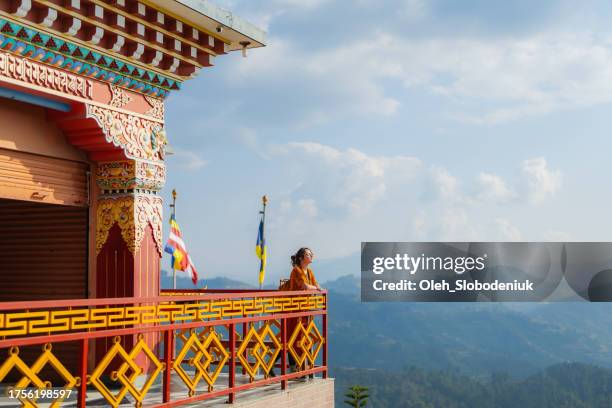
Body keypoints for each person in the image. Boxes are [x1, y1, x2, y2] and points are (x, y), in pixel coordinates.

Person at [284, 247, 321, 375]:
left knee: (304, 336)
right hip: (293, 309)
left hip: (304, 309)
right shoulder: (297, 271)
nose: (311, 256)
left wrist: (315, 288)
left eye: (311, 254)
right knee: (293, 337)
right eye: (307, 254)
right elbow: (305, 286)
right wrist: (315, 288)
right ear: (301, 258)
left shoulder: (309, 272)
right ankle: (294, 367)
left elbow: (315, 285)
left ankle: (304, 367)